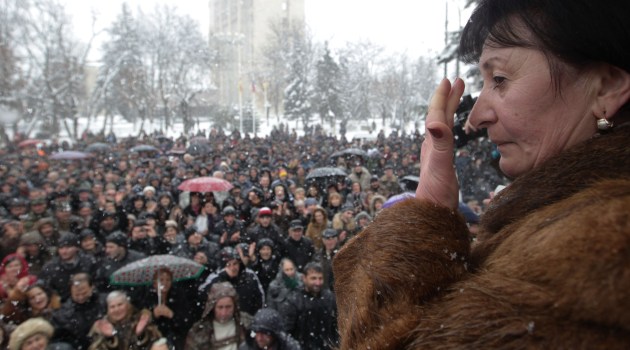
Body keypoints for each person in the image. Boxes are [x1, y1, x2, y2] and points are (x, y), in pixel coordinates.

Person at [333, 1, 630, 349]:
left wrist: (423, 221)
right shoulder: (563, 225)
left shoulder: (598, 255)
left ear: (606, 87)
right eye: (484, 82)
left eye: (500, 79)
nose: (477, 115)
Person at [278, 262, 337, 350]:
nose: (317, 283)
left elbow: (335, 325)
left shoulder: (329, 298)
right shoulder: (294, 300)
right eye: (313, 278)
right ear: (304, 278)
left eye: (320, 278)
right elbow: (286, 331)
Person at [199, 247, 265, 318]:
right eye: (228, 265)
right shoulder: (215, 277)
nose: (232, 268)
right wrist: (222, 277)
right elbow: (202, 294)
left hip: (246, 319)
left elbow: (260, 298)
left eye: (235, 264)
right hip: (223, 319)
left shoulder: (250, 275)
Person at [185, 282, 251, 350]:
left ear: (235, 306)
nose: (224, 312)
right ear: (213, 307)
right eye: (220, 307)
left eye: (228, 307)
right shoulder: (199, 331)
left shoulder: (247, 323)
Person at [88, 290, 162, 350]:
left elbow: (156, 343)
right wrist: (110, 338)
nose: (116, 309)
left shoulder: (141, 321)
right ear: (108, 310)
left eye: (120, 305)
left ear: (127, 305)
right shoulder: (102, 327)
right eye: (112, 307)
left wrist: (141, 335)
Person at [51, 273, 107, 350]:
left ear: (92, 288)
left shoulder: (105, 301)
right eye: (77, 295)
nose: (81, 297)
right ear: (71, 291)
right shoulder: (63, 313)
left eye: (84, 293)